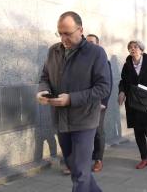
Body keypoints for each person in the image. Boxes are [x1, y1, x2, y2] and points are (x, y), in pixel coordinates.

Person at [37, 11, 111, 192]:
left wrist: (71, 99)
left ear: (80, 30)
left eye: (67, 34)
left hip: (84, 120)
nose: (63, 38)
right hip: (61, 120)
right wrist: (43, 91)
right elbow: (44, 77)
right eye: (60, 33)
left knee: (80, 175)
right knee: (77, 170)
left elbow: (103, 87)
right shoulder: (53, 51)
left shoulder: (96, 53)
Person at [118, 40, 147, 169]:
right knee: (138, 131)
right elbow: (123, 81)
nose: (133, 49)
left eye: (136, 47)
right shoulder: (127, 65)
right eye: (130, 47)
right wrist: (121, 92)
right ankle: (144, 158)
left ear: (141, 50)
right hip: (133, 103)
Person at [86, 34, 113, 173]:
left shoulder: (103, 61)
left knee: (98, 131)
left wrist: (104, 102)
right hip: (84, 102)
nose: (89, 44)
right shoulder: (83, 59)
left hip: (98, 103)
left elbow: (108, 84)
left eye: (92, 42)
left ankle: (98, 159)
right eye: (87, 42)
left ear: (98, 44)